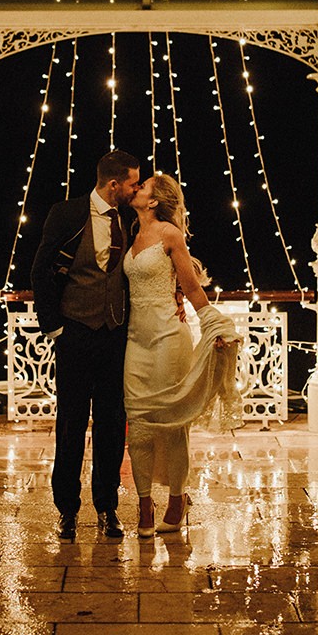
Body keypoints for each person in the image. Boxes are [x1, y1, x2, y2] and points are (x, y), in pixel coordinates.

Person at [31, 149, 141, 541]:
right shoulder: (66, 213)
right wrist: (55, 328)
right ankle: (67, 510)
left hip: (114, 334)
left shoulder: (129, 217)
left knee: (112, 425)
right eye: (132, 183)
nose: (136, 188)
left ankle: (108, 508)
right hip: (75, 333)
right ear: (114, 185)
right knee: (71, 424)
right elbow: (40, 270)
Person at [123, 173, 241, 537]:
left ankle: (176, 498)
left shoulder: (169, 235)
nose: (136, 189)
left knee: (173, 425)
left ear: (155, 201)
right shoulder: (130, 233)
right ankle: (144, 503)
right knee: (138, 427)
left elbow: (190, 287)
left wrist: (214, 326)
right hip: (135, 341)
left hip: (169, 339)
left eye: (142, 187)